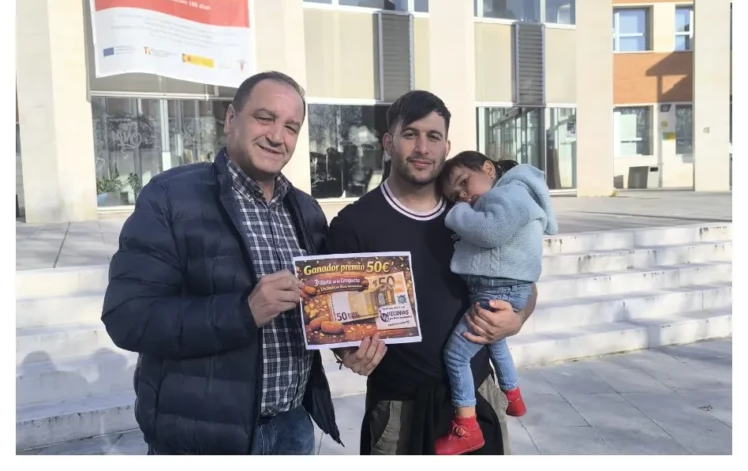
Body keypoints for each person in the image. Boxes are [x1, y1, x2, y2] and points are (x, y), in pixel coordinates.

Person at [101, 71, 382, 455]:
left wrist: (346, 347)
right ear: (231, 119)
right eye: (265, 118)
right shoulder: (170, 197)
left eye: (291, 127)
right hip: (204, 437)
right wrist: (244, 311)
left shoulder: (306, 209)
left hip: (293, 427)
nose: (277, 136)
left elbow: (318, 307)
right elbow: (127, 318)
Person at [326, 91, 537, 455]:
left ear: (446, 146)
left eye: (433, 137)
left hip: (476, 399)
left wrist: (517, 318)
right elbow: (331, 316)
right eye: (410, 134)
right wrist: (347, 353)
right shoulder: (353, 224)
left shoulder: (477, 215)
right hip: (397, 408)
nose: (422, 147)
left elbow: (524, 282)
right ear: (388, 142)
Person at [434, 152, 558, 455]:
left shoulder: (509, 193)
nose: (462, 196)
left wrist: (455, 212)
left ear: (489, 169)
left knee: (456, 356)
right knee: (494, 342)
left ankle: (467, 428)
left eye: (464, 183)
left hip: (498, 290)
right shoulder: (511, 195)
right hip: (500, 289)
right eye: (455, 195)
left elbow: (491, 232)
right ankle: (512, 395)